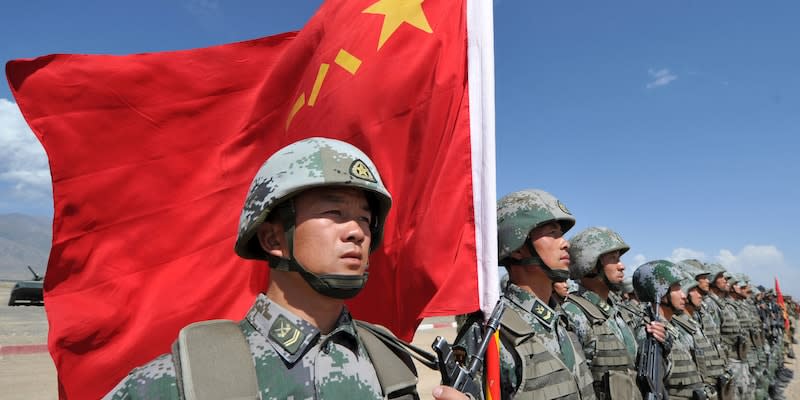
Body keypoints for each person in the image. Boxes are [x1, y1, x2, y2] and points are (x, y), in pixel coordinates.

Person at [103, 137, 467, 400]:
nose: (357, 232)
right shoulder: (185, 379)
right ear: (273, 239)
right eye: (334, 213)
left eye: (364, 219)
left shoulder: (390, 362)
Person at [455, 189, 596, 399]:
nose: (566, 243)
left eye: (562, 234)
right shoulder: (489, 332)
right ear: (517, 248)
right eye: (553, 233)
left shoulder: (564, 321)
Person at [561, 227, 660, 400]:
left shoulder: (621, 312)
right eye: (613, 259)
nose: (622, 266)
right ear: (590, 265)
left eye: (619, 258)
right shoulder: (573, 314)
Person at [632, 260, 707, 400]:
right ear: (660, 292)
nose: (684, 295)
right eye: (677, 288)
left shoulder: (671, 327)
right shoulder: (651, 332)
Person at [703, 264, 753, 400]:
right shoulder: (710, 304)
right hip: (728, 361)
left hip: (732, 359)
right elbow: (713, 337)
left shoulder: (720, 304)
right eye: (720, 276)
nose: (725, 280)